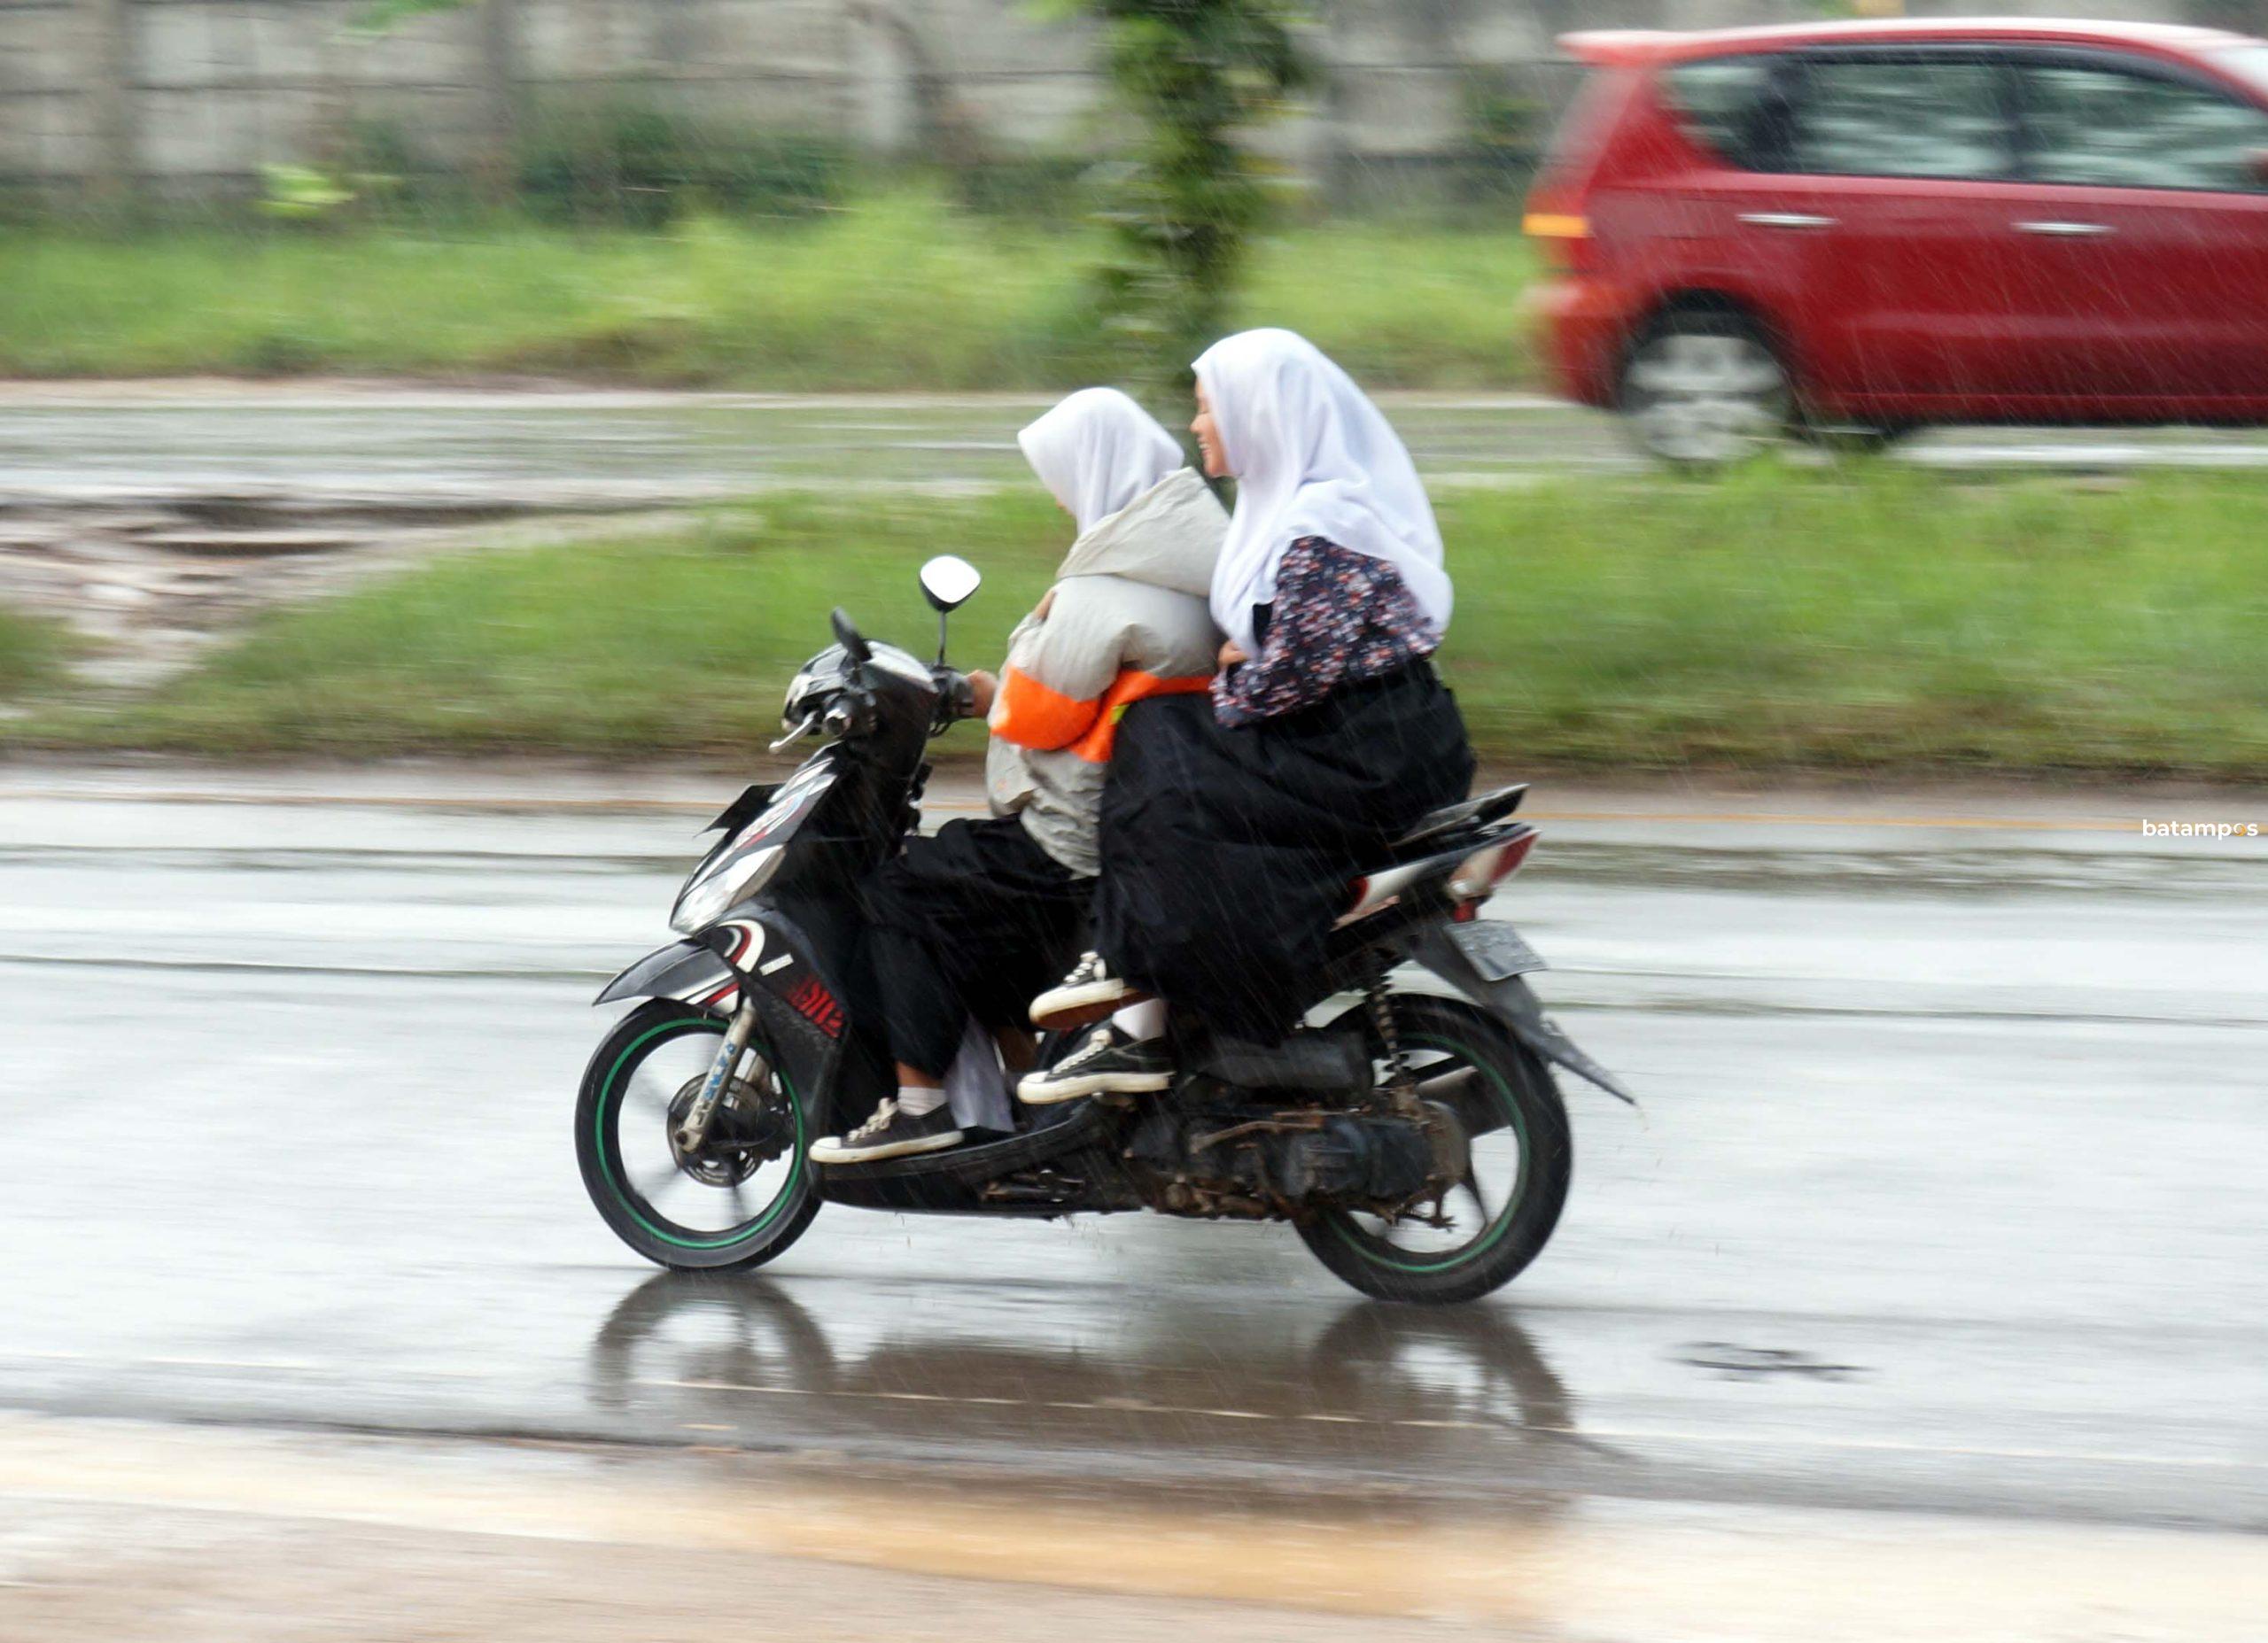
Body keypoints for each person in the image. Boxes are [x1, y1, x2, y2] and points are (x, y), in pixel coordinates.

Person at [1018, 329, 1475, 1103]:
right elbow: (1284, 654)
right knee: (1170, 753)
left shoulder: (1321, 524)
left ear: (1260, 415)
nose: (1197, 425)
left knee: (1166, 766)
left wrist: (1240, 675)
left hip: (1370, 748)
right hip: (1360, 732)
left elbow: (1293, 671)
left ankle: (1144, 987)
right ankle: (1152, 1001)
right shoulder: (1289, 508)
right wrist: (1243, 662)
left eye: (1209, 409)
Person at [810, 388, 1227, 1163]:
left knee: (901, 891)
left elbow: (1035, 715)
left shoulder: (1103, 592)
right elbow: (1081, 704)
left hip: (1069, 836)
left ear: (1097, 471)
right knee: (974, 903)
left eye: (1063, 475)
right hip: (1131, 815)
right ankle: (1036, 1097)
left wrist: (985, 686)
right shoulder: (1187, 575)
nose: (1058, 493)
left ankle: (919, 1106)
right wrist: (990, 691)